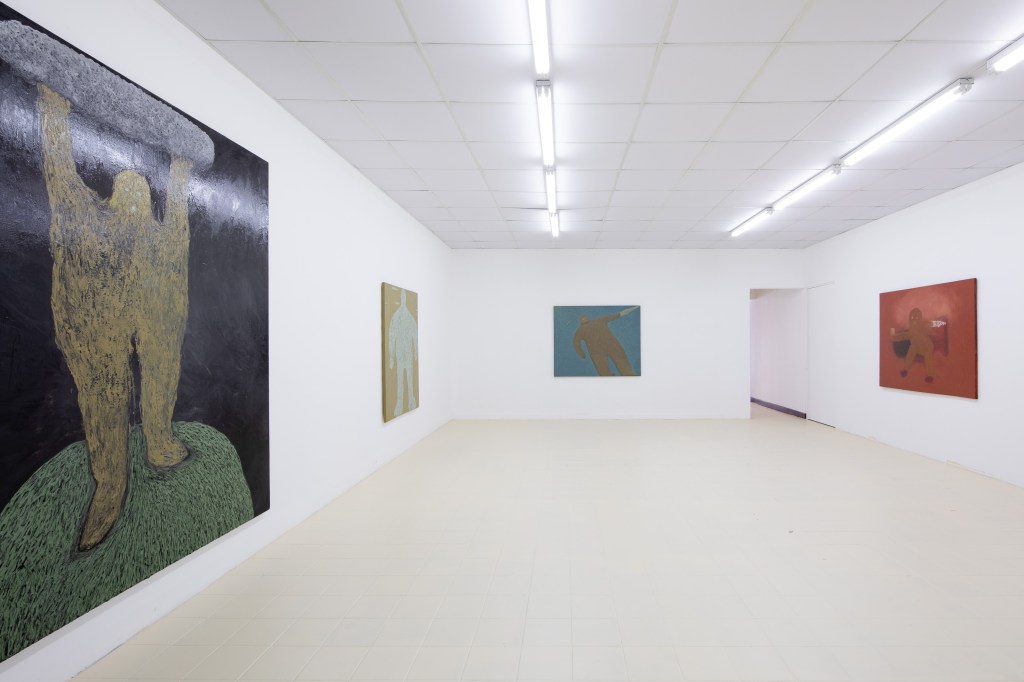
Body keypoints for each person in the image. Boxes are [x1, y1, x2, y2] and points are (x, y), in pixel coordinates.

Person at [38, 83, 192, 551]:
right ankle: (110, 488)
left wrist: (181, 170)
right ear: (114, 197)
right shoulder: (92, 222)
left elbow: (178, 218)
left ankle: (159, 443)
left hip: (151, 316)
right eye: (129, 191)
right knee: (105, 398)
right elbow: (60, 177)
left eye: (141, 193)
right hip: (100, 329)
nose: (136, 196)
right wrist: (54, 111)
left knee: (161, 370)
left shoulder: (158, 241)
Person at [573, 306, 638, 376]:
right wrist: (581, 353)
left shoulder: (581, 330)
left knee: (604, 370)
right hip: (608, 348)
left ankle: (624, 375)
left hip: (600, 350)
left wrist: (582, 354)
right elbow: (619, 314)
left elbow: (576, 343)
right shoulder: (597, 321)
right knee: (618, 367)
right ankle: (627, 375)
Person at [388, 289, 418, 417]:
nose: (403, 298)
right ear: (401, 298)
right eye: (402, 296)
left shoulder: (408, 317)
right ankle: (400, 404)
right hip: (401, 354)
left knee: (409, 379)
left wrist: (415, 351)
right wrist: (391, 356)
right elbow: (391, 337)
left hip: (407, 354)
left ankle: (411, 400)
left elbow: (415, 335)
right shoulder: (397, 317)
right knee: (400, 380)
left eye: (404, 296)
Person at [891, 307, 935, 383]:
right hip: (917, 347)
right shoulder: (911, 331)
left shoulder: (923, 325)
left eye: (916, 317)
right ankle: (905, 369)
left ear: (920, 318)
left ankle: (930, 375)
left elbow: (931, 324)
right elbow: (904, 335)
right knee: (912, 349)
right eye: (912, 317)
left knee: (928, 355)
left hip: (926, 346)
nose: (914, 319)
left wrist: (934, 323)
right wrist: (894, 336)